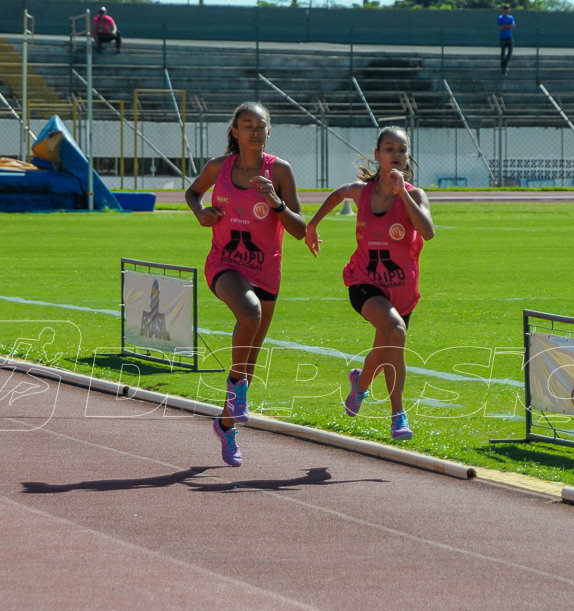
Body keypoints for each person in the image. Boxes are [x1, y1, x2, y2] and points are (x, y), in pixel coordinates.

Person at [184, 102, 306, 467]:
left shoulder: (280, 170)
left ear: (269, 131)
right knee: (248, 313)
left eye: (260, 125)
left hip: (266, 271)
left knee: (248, 362)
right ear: (235, 132)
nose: (254, 130)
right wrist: (200, 213)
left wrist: (276, 202)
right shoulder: (219, 168)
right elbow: (193, 193)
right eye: (246, 125)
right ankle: (236, 390)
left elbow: (300, 230)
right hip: (224, 263)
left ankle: (226, 425)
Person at [305, 128, 435, 442]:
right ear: (376, 155)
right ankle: (398, 415)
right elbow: (338, 194)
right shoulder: (361, 192)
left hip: (402, 290)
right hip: (363, 282)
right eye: (389, 148)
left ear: (407, 157)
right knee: (396, 332)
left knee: (382, 353)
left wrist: (402, 193)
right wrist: (312, 225)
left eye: (402, 150)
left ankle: (359, 385)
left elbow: (428, 232)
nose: (396, 155)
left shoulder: (414, 195)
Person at [497, 5, 515, 75]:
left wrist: (505, 26)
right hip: (502, 38)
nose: (507, 11)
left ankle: (505, 65)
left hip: (509, 37)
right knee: (503, 53)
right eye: (505, 10)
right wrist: (508, 26)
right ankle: (503, 68)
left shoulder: (511, 17)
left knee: (510, 52)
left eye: (508, 10)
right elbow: (501, 27)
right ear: (503, 10)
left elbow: (513, 26)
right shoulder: (500, 17)